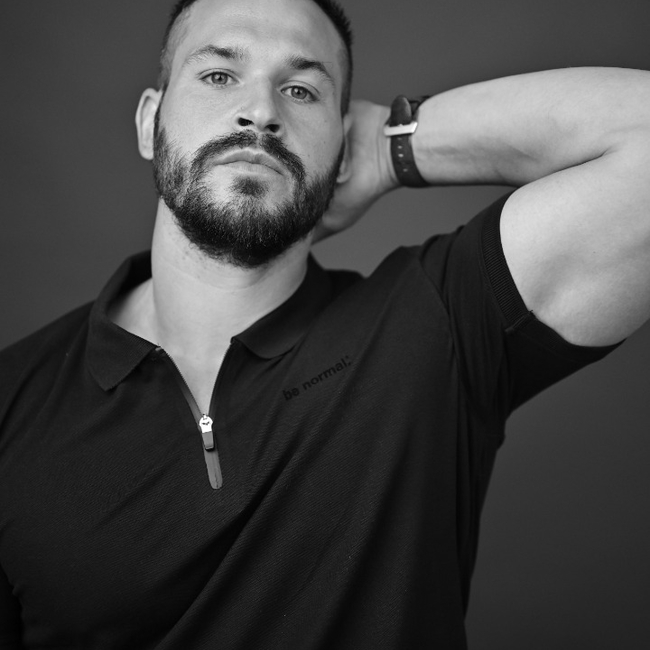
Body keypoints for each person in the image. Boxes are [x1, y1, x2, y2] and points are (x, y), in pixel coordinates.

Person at [1, 0, 649, 647]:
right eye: (219, 75)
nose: (261, 112)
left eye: (301, 90)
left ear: (341, 149)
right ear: (150, 122)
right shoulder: (12, 400)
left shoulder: (433, 325)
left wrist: (393, 146)